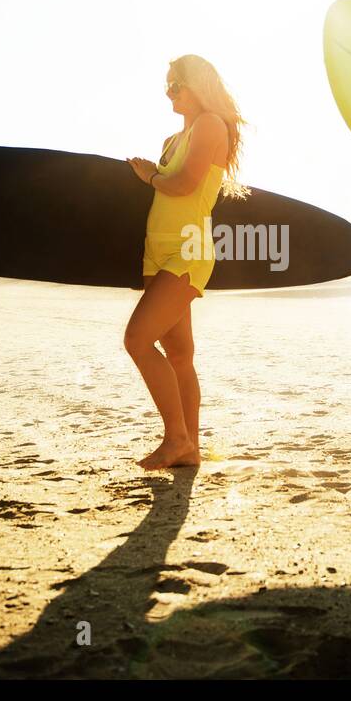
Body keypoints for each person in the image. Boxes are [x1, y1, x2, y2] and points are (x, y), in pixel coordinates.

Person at [125, 54, 249, 470]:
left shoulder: (211, 126)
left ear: (197, 85)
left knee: (137, 340)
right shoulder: (170, 142)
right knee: (178, 355)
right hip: (156, 248)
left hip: (189, 248)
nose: (169, 92)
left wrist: (150, 177)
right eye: (167, 85)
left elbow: (183, 185)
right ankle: (190, 448)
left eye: (176, 85)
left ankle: (176, 438)